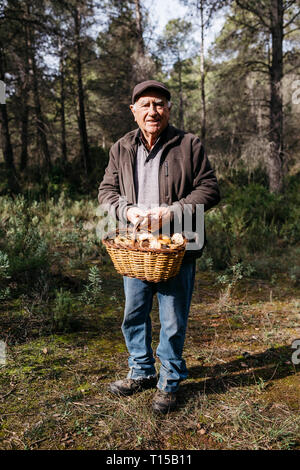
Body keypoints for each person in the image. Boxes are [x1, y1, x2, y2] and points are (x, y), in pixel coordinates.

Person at [98, 80, 220, 413]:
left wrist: (173, 211)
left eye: (160, 104)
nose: (153, 111)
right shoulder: (121, 147)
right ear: (133, 110)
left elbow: (210, 190)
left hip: (177, 249)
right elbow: (106, 192)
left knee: (173, 320)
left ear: (168, 108)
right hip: (136, 249)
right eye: (146, 105)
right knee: (133, 314)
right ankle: (141, 371)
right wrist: (127, 210)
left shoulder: (188, 144)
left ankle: (169, 381)